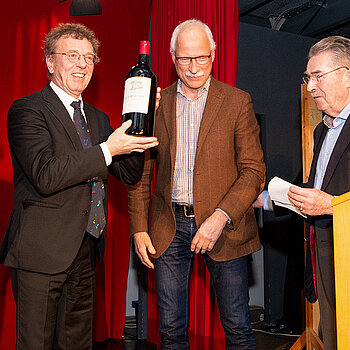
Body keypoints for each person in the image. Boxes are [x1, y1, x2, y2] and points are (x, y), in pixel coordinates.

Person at [0, 23, 159, 350]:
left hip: (87, 250)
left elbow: (128, 174)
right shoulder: (27, 110)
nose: (82, 65)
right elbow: (46, 174)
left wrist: (145, 120)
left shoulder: (99, 119)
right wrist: (107, 150)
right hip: (41, 253)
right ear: (49, 62)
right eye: (72, 55)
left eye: (89, 58)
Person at [128, 19, 265, 349]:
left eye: (201, 58)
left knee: (237, 328)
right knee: (171, 331)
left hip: (226, 228)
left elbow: (254, 171)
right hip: (168, 225)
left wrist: (219, 218)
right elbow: (140, 172)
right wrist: (138, 227)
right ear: (173, 57)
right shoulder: (155, 104)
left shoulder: (236, 101)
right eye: (185, 59)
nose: (193, 68)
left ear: (213, 55)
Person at [287, 36, 350, 349]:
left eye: (317, 76)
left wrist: (332, 205)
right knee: (333, 335)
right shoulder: (322, 129)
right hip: (324, 249)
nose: (310, 87)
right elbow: (317, 187)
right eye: (307, 77)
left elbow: (330, 199)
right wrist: (271, 198)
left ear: (347, 74)